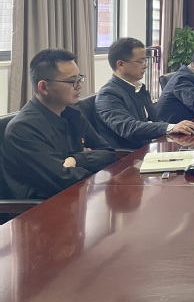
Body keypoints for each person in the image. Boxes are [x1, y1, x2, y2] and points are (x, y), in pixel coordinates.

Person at [1, 49, 116, 199]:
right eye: (72, 81)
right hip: (42, 208)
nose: (79, 86)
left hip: (77, 198)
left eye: (79, 78)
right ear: (44, 87)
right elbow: (64, 180)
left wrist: (77, 160)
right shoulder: (23, 129)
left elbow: (108, 153)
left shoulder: (73, 114)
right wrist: (88, 157)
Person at [95, 38, 194, 151]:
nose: (145, 66)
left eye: (145, 61)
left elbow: (155, 121)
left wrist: (179, 128)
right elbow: (128, 128)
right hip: (129, 156)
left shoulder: (140, 88)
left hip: (150, 148)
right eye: (140, 62)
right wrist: (171, 127)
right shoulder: (108, 95)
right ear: (120, 64)